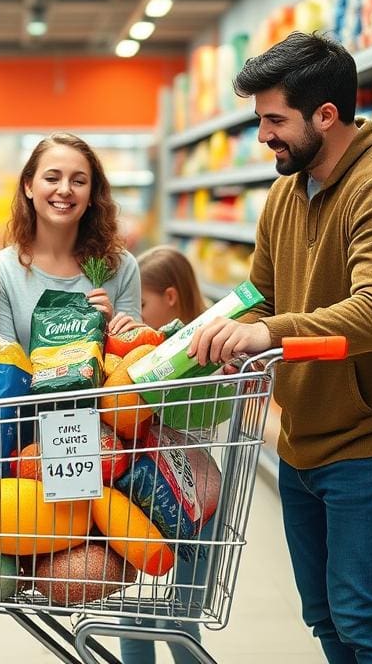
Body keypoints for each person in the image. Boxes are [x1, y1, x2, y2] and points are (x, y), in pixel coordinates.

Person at [188, 32, 372, 664]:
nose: (263, 137)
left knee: (362, 616)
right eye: (260, 120)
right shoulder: (285, 190)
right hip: (304, 432)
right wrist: (186, 336)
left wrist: (267, 334)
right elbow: (261, 296)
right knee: (326, 616)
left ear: (325, 116)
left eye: (275, 121)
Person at [119, 245, 213, 664]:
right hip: (169, 487)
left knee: (177, 614)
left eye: (142, 303)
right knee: (142, 611)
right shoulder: (145, 355)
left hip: (194, 498)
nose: (137, 313)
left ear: (170, 298)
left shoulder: (204, 349)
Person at [0, 131, 141, 349]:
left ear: (92, 194)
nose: (64, 190)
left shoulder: (121, 267)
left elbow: (132, 364)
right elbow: (4, 365)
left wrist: (111, 331)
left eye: (78, 181)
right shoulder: (2, 269)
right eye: (52, 178)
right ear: (28, 186)